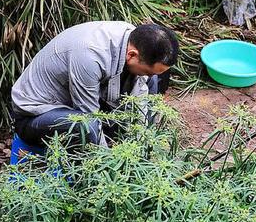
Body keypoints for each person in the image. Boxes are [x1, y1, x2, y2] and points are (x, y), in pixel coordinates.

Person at [11, 21, 179, 147]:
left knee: (153, 81)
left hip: (81, 99)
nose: (147, 76)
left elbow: (141, 98)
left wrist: (140, 143)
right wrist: (112, 170)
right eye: (147, 71)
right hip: (36, 115)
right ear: (132, 55)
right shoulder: (90, 55)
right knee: (86, 126)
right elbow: (90, 119)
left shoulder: (133, 39)